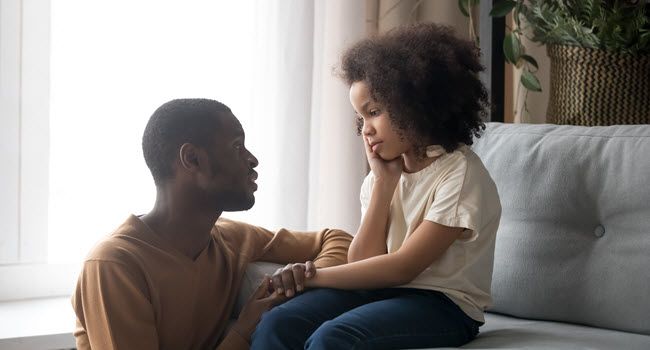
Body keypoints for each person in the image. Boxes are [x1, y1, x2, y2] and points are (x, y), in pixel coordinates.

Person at [251, 23, 502, 349]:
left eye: (374, 112)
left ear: (414, 104)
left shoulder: (460, 174)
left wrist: (311, 276)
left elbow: (403, 267)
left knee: (334, 338)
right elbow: (361, 263)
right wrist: (384, 186)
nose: (365, 130)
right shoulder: (380, 178)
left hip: (443, 306)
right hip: (382, 293)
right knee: (278, 322)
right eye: (360, 118)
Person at [70, 98, 352, 349]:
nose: (253, 160)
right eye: (237, 147)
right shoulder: (114, 265)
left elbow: (337, 239)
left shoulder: (230, 238)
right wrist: (244, 331)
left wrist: (306, 277)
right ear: (191, 159)